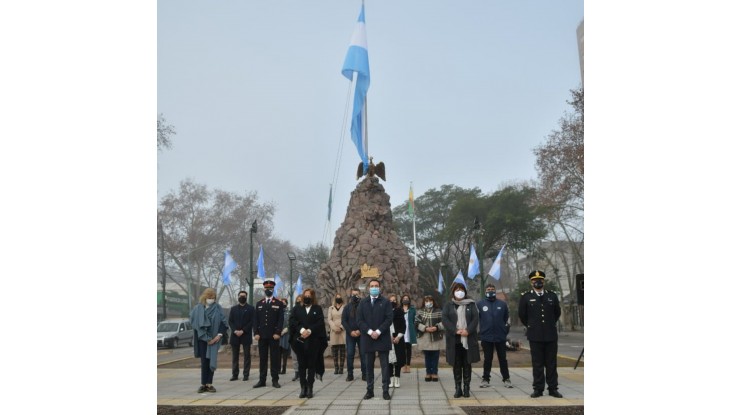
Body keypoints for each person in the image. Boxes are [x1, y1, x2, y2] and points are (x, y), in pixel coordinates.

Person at [518, 270, 563, 398]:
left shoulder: (552, 296)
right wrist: (532, 326)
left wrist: (548, 324)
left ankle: (553, 388)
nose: (537, 282)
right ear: (531, 282)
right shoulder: (526, 297)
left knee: (551, 363)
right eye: (534, 280)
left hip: (550, 335)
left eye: (540, 280)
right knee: (537, 363)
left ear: (544, 281)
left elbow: (557, 313)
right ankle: (538, 389)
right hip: (535, 335)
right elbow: (522, 315)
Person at [357, 278, 393, 400]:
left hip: (382, 337)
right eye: (372, 286)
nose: (374, 288)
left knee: (385, 366)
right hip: (368, 338)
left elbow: (389, 319)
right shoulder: (363, 302)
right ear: (368, 288)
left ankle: (385, 390)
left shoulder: (386, 302)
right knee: (368, 367)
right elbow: (359, 320)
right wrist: (369, 331)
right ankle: (369, 390)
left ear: (380, 287)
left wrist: (378, 331)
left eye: (376, 286)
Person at [442, 282, 480, 398]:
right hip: (455, 340)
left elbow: (475, 319)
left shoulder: (471, 304)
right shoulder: (449, 305)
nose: (459, 291)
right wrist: (455, 330)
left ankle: (466, 387)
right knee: (456, 363)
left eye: (461, 289)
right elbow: (445, 319)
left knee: (467, 363)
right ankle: (458, 387)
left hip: (468, 338)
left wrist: (468, 330)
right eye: (457, 289)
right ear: (453, 291)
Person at [289, 288, 327, 399]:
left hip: (313, 341)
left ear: (313, 297)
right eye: (305, 295)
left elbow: (320, 322)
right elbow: (292, 321)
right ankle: (303, 387)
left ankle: (310, 387)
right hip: (299, 342)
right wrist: (302, 330)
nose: (307, 297)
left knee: (311, 366)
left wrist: (310, 330)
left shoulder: (317, 308)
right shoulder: (296, 308)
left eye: (309, 295)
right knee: (301, 366)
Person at [189, 287, 228, 393]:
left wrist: (218, 336)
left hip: (215, 339)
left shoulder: (218, 308)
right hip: (202, 339)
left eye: (213, 297)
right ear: (204, 297)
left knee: (211, 359)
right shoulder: (197, 309)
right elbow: (194, 323)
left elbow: (224, 323)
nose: (211, 299)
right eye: (209, 297)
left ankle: (209, 384)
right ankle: (203, 384)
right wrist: (207, 338)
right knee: (204, 361)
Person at [477, 283, 513, 388]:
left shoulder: (502, 304)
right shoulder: (480, 304)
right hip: (486, 336)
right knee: (488, 358)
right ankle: (485, 379)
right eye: (488, 289)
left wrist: (504, 330)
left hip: (500, 336)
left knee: (503, 358)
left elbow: (506, 318)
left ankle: (506, 379)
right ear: (485, 291)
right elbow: (477, 319)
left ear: (495, 291)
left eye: (492, 289)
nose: (490, 291)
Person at [252, 279, 286, 388]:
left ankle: (275, 380)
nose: (268, 290)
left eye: (270, 288)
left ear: (273, 289)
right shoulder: (259, 304)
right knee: (263, 359)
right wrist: (256, 333)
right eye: (266, 288)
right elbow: (255, 320)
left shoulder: (278, 303)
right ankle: (262, 380)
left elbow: (281, 320)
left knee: (274, 358)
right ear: (264, 289)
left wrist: (278, 332)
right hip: (262, 336)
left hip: (273, 336)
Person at [414, 294, 444, 382]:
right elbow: (416, 323)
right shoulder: (420, 311)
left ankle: (434, 373)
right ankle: (428, 373)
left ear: (433, 302)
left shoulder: (438, 311)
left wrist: (436, 327)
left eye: (430, 301)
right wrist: (425, 328)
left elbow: (444, 322)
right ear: (424, 302)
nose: (428, 303)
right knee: (427, 356)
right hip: (425, 336)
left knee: (435, 355)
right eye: (426, 301)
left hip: (436, 336)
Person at [228, 290, 254, 382]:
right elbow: (230, 321)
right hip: (235, 335)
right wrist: (235, 330)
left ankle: (246, 374)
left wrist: (243, 330)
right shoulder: (233, 308)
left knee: (247, 356)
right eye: (240, 296)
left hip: (245, 334)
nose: (242, 297)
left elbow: (252, 321)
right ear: (238, 297)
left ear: (246, 297)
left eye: (244, 296)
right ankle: (235, 374)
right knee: (235, 356)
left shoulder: (251, 308)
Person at [341, 288, 367, 382]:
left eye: (356, 295)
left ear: (359, 295)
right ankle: (350, 374)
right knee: (350, 354)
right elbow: (344, 321)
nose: (355, 296)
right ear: (350, 295)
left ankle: (365, 374)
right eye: (353, 295)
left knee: (363, 354)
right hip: (350, 334)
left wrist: (360, 330)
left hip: (362, 334)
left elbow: (366, 319)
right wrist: (350, 331)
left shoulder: (364, 306)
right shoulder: (347, 307)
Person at [386, 294, 406, 388]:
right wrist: (388, 337)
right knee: (389, 360)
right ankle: (390, 379)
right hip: (388, 338)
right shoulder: (384, 312)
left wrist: (398, 337)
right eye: (390, 300)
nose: (392, 302)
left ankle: (397, 378)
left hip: (398, 338)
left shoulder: (400, 311)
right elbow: (384, 325)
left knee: (398, 359)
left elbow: (403, 326)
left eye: (394, 300)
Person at [328, 293, 346, 375]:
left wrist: (341, 327)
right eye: (337, 297)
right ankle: (336, 368)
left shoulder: (345, 308)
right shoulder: (331, 308)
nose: (338, 299)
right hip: (334, 330)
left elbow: (346, 318)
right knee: (334, 351)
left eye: (340, 297)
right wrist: (334, 328)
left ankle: (341, 368)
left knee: (342, 350)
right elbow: (329, 319)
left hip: (343, 330)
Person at [400, 294, 416, 374]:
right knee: (402, 350)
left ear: (409, 300)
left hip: (409, 331)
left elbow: (414, 320)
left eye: (407, 298)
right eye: (404, 298)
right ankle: (403, 366)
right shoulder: (399, 309)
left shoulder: (412, 309)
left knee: (409, 349)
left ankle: (408, 366)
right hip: (401, 331)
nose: (405, 299)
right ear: (402, 300)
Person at [290, 295, 303, 381]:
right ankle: (296, 373)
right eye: (297, 300)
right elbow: (291, 322)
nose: (298, 302)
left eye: (300, 300)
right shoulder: (293, 310)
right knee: (294, 356)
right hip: (294, 336)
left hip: (303, 335)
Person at [279, 298, 291, 375]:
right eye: (281, 302)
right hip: (278, 334)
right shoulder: (277, 312)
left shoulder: (289, 313)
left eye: (284, 302)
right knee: (278, 353)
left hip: (286, 335)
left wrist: (287, 329)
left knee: (285, 353)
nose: (283, 304)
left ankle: (284, 368)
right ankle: (277, 368)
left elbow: (291, 322)